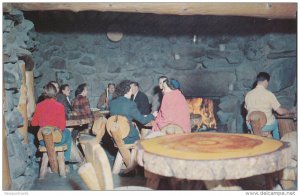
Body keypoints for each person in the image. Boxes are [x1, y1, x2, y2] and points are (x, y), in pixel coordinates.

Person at [244, 72, 295, 140]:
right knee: (276, 124)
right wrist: (290, 111)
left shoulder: (248, 94)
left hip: (250, 125)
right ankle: (276, 142)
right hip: (266, 125)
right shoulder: (269, 94)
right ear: (265, 81)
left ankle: (253, 134)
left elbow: (246, 107)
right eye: (268, 82)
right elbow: (280, 112)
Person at [31, 83, 72, 162]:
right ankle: (65, 159)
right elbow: (62, 127)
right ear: (55, 93)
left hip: (43, 141)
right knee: (68, 132)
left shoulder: (39, 105)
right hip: (57, 140)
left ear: (44, 93)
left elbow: (33, 123)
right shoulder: (59, 106)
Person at [109, 80, 156, 144]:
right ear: (127, 91)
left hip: (116, 135)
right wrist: (152, 115)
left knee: (123, 150)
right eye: (131, 90)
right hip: (128, 137)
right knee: (148, 139)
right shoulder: (130, 104)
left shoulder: (112, 103)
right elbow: (143, 120)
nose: (132, 93)